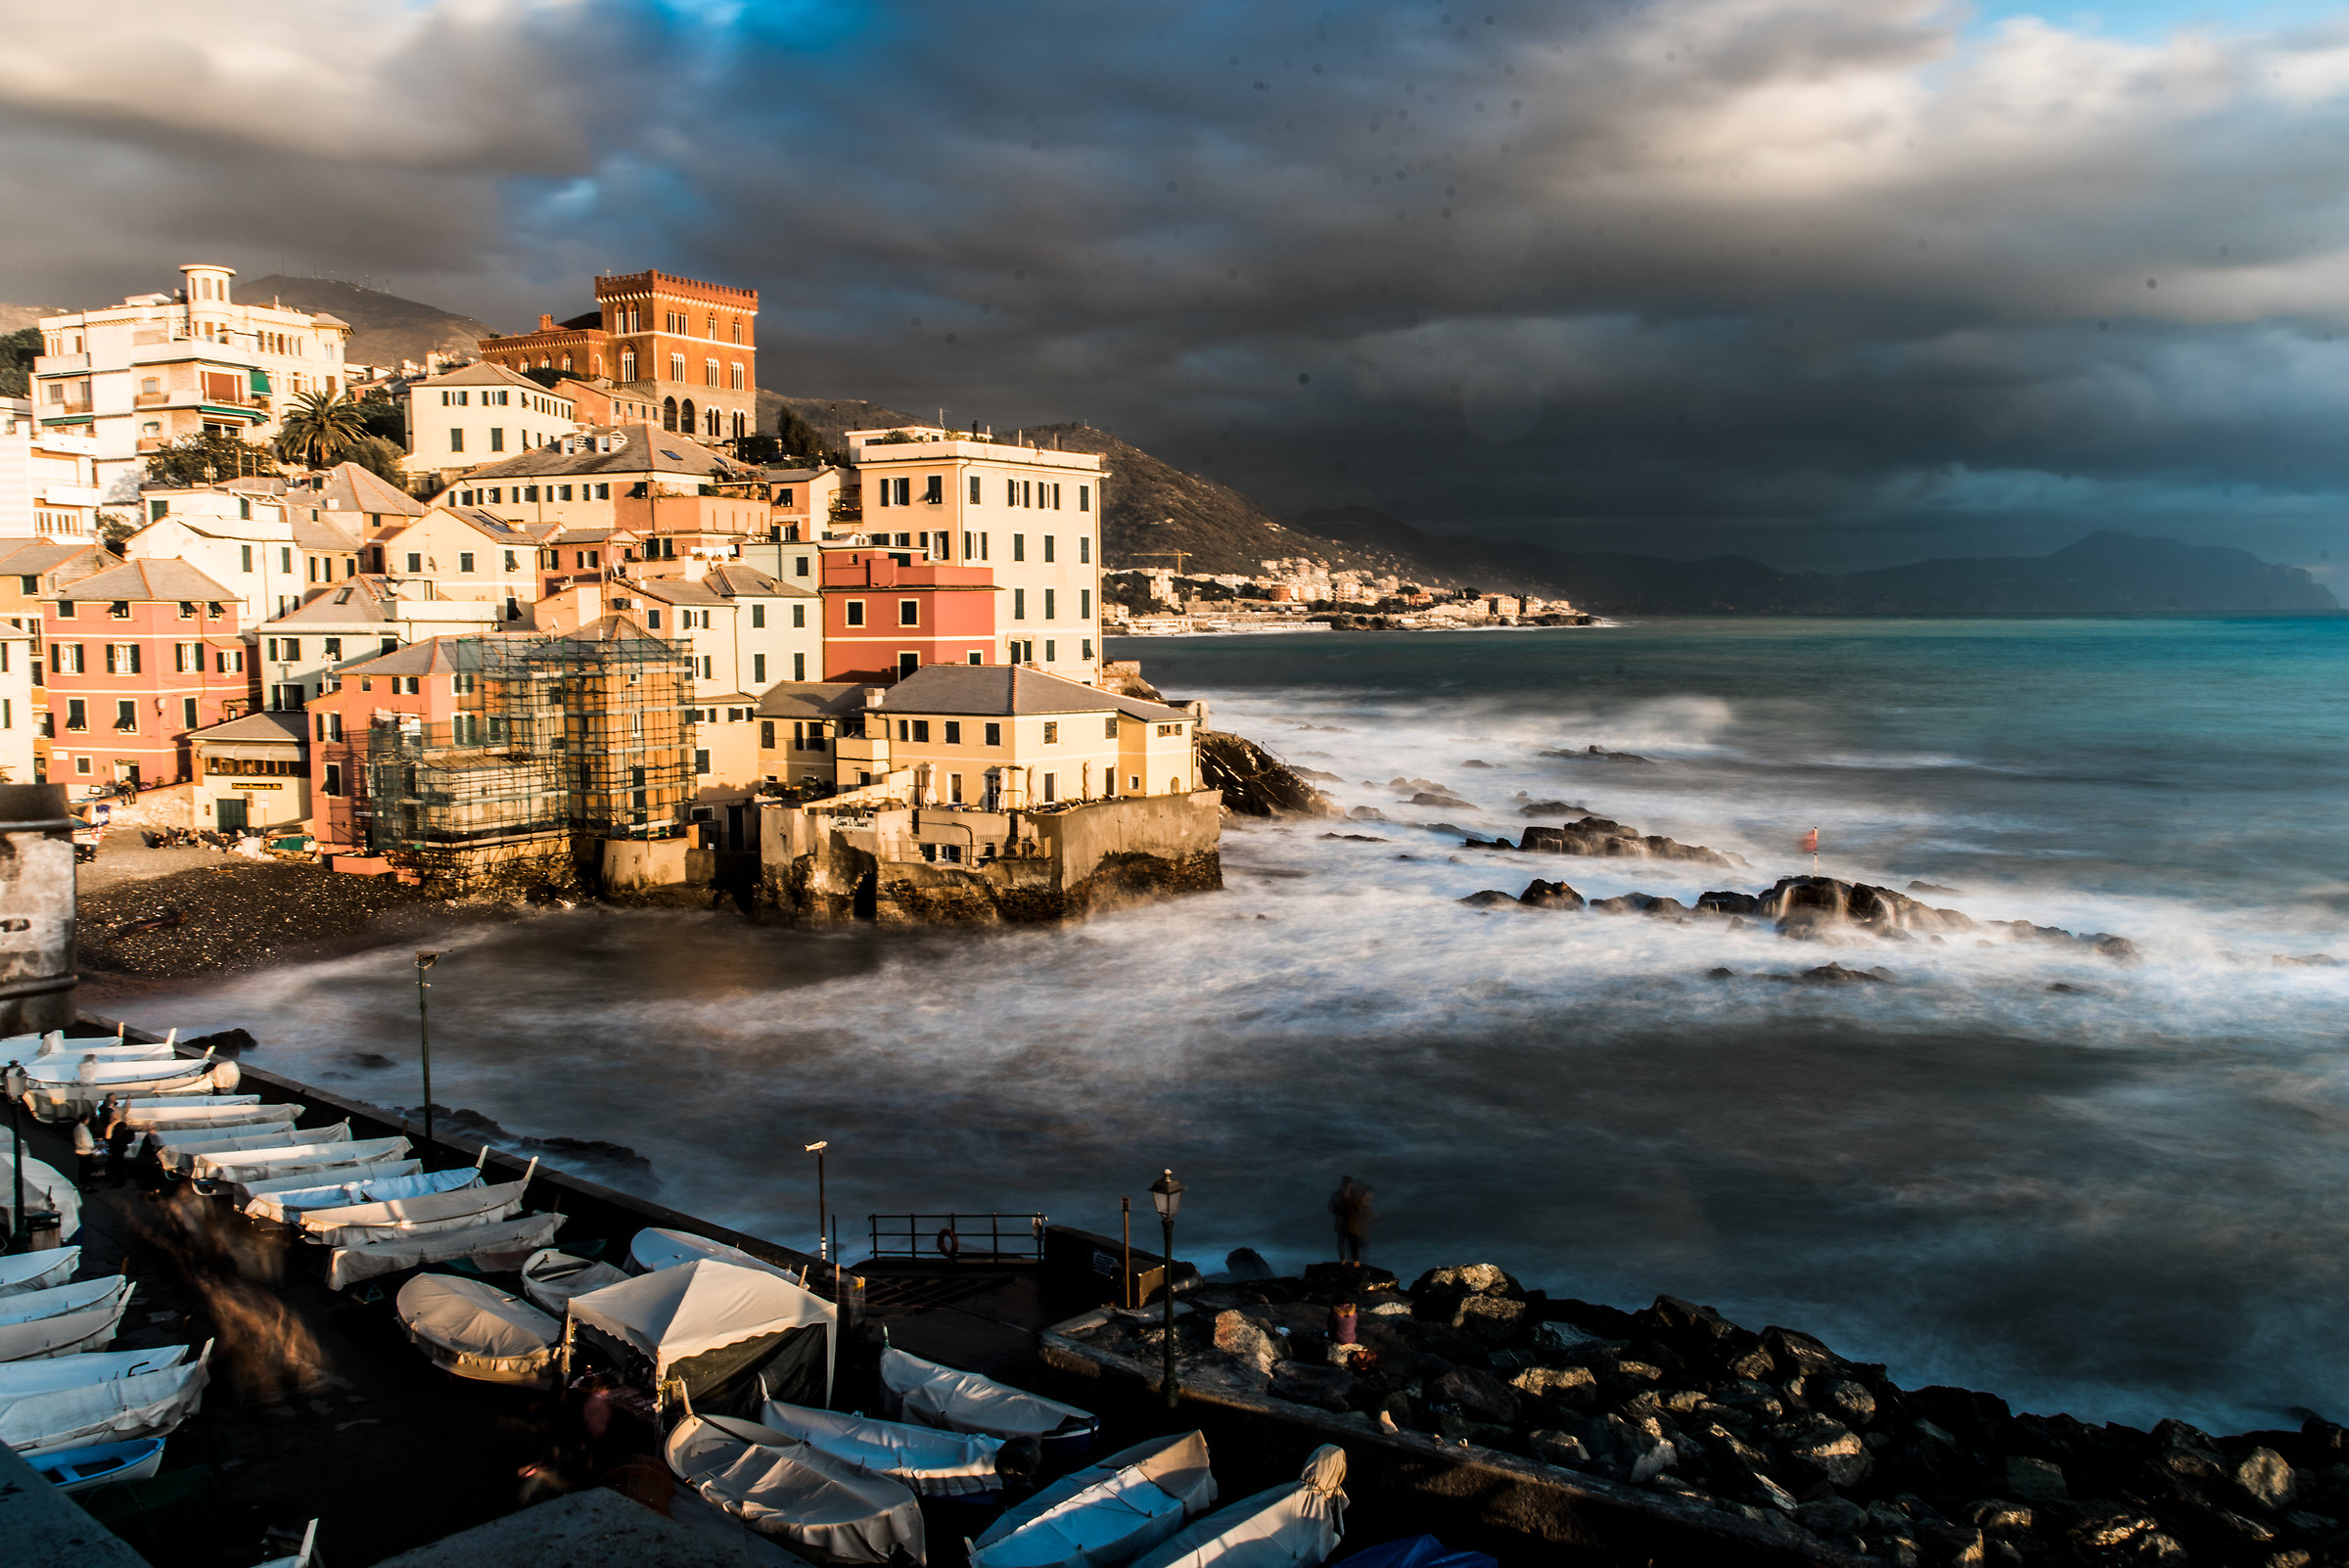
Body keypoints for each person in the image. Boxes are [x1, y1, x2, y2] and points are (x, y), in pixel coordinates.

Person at [1328, 1175, 1375, 1265]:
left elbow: (1332, 1208)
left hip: (1341, 1224)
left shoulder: (1337, 1194)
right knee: (1353, 1243)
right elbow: (1359, 1208)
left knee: (1343, 1243)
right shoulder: (1352, 1195)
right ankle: (1355, 1261)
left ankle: (1343, 1260)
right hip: (1351, 1224)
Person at [104, 1103, 137, 1188]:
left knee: (117, 1166)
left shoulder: (119, 1125)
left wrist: (111, 1148)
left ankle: (119, 1181)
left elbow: (117, 1139)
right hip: (117, 1149)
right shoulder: (117, 1125)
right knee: (116, 1165)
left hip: (117, 1150)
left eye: (111, 1116)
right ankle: (117, 1180)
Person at [71, 1115, 99, 1188]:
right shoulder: (82, 1129)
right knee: (86, 1170)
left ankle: (82, 1184)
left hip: (80, 1151)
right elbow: (85, 1141)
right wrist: (93, 1146)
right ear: (85, 1120)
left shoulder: (77, 1128)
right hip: (85, 1152)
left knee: (82, 1169)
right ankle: (86, 1186)